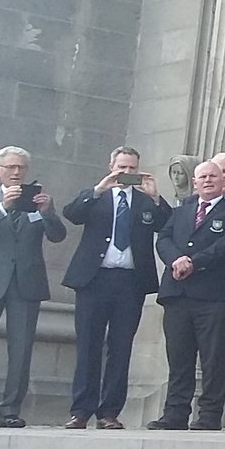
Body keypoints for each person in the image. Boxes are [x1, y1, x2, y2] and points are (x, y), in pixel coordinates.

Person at [60, 147, 173, 429]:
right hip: (94, 279)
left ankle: (109, 412)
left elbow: (168, 223)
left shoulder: (146, 202)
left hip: (129, 282)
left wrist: (156, 196)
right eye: (121, 167)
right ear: (111, 166)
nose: (126, 173)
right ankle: (81, 410)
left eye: (132, 168)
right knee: (88, 345)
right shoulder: (97, 197)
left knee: (121, 348)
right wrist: (98, 189)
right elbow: (72, 213)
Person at [0, 147, 67, 428]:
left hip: (26, 283)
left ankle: (10, 409)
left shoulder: (37, 204)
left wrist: (47, 212)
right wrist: (3, 207)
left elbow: (57, 236)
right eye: (11, 168)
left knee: (21, 348)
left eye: (21, 168)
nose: (17, 173)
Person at [151, 160, 225, 430]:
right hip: (177, 294)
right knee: (179, 358)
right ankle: (175, 413)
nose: (208, 181)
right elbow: (164, 239)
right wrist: (176, 260)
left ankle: (209, 415)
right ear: (195, 183)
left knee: (213, 359)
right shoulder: (182, 210)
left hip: (213, 297)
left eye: (213, 177)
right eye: (203, 177)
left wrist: (193, 262)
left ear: (223, 182)